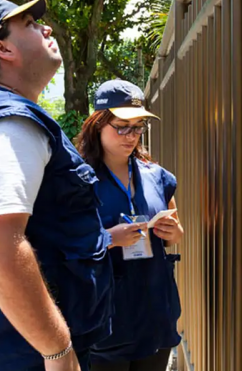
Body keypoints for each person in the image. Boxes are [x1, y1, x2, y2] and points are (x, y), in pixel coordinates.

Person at [0, 0, 137, 371]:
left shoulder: (2, 114)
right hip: (20, 355)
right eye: (28, 24)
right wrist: (56, 350)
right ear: (2, 48)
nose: (47, 28)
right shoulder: (2, 120)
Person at [76, 80, 184, 371]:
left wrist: (173, 233)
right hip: (107, 320)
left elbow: (176, 231)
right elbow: (62, 245)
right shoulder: (77, 180)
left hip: (154, 314)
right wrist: (108, 239)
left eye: (138, 127)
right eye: (122, 126)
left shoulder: (156, 175)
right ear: (97, 124)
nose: (131, 135)